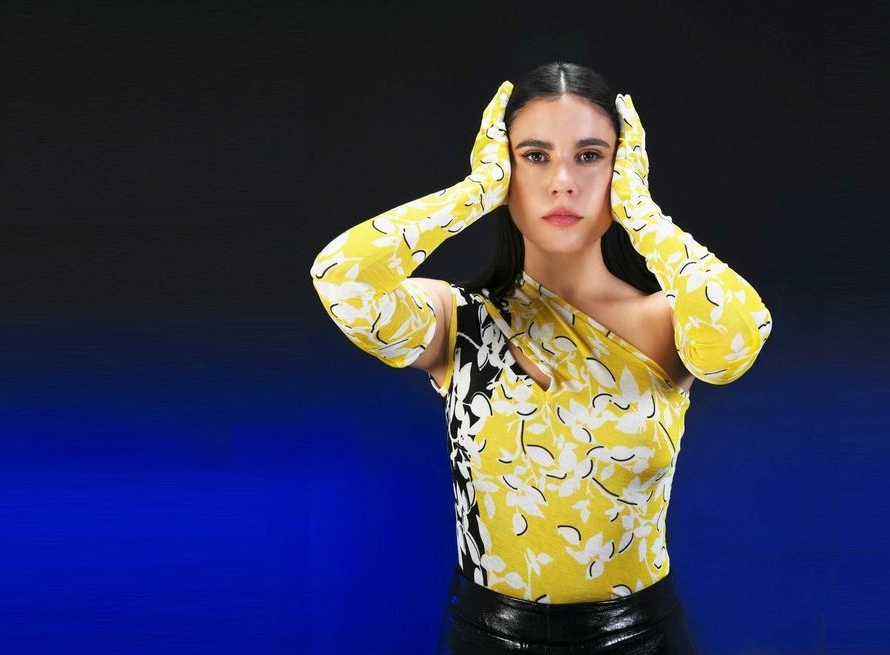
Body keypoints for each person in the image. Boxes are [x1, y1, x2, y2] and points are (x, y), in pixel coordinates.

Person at [309, 62, 772, 654]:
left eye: (589, 155)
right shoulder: (455, 319)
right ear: (505, 166)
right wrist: (476, 191)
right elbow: (341, 278)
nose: (562, 182)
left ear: (622, 167)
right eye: (534, 156)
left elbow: (740, 340)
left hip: (640, 638)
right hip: (488, 638)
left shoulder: (669, 321)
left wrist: (643, 213)